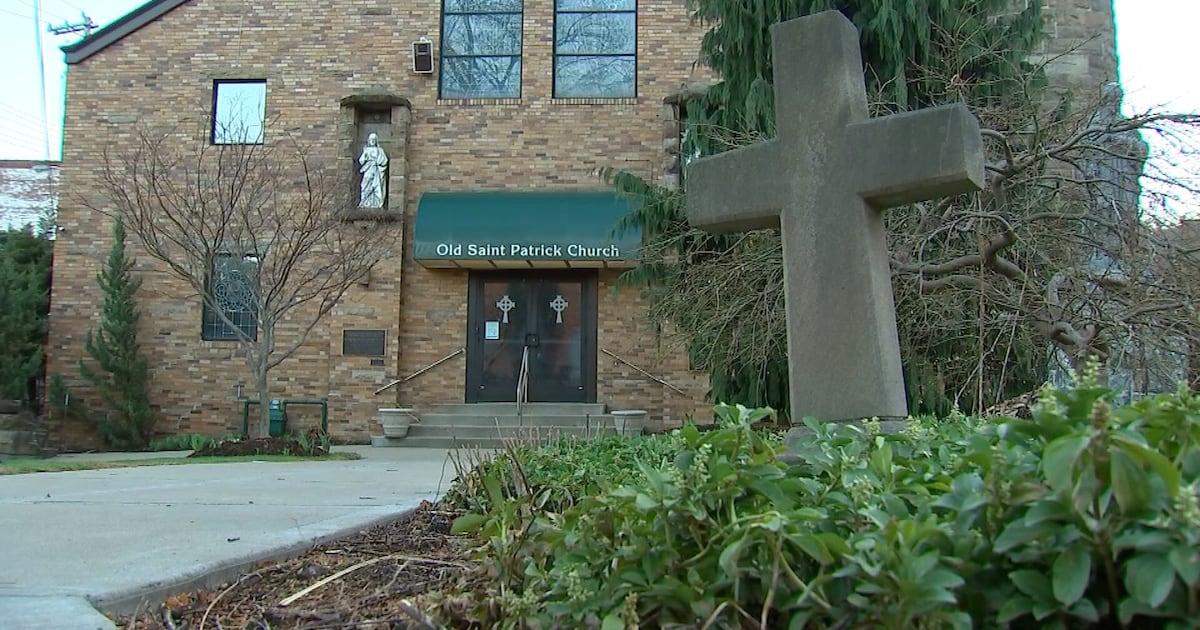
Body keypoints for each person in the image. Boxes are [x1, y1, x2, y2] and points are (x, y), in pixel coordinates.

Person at [358, 132, 388, 208]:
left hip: (376, 170)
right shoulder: (366, 150)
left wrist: (377, 162)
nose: (372, 141)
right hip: (368, 170)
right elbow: (361, 161)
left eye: (374, 139)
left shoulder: (380, 150)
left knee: (376, 186)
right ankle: (365, 202)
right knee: (365, 185)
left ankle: (376, 204)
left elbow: (384, 160)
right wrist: (365, 154)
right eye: (371, 139)